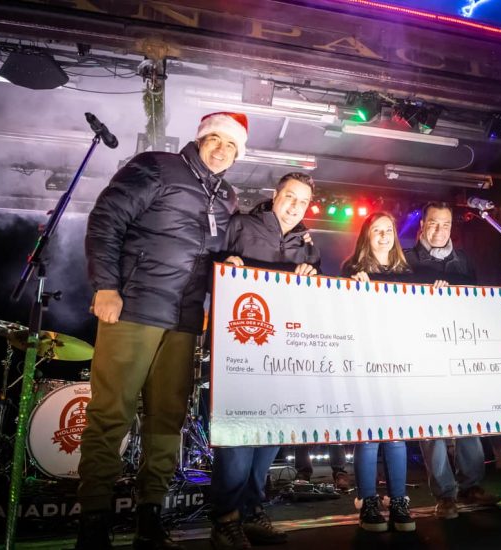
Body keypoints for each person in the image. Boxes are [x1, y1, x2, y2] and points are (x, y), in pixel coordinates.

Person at [78, 112, 246, 549]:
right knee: (111, 412)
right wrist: (105, 286)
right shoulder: (156, 166)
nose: (222, 150)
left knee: (168, 417)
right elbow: (106, 219)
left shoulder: (227, 197)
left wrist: (227, 264)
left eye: (231, 145)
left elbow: (210, 253)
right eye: (215, 139)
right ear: (200, 139)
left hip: (184, 321)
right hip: (135, 307)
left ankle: (149, 515)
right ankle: (93, 520)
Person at [210, 172, 319, 550]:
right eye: (290, 196)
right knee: (239, 436)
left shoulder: (306, 244)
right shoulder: (240, 225)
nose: (295, 206)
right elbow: (207, 267)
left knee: (272, 434)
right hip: (240, 351)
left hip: (285, 355)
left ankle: (252, 511)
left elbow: (315, 301)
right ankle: (225, 519)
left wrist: (313, 274)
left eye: (303, 201)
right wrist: (224, 264)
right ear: (275, 195)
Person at [403, 202, 500, 519]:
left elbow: (475, 305)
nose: (439, 230)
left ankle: (472, 484)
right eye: (433, 223)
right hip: (421, 351)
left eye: (445, 224)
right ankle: (445, 494)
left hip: (459, 350)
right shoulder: (406, 259)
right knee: (432, 427)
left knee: (469, 418)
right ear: (422, 226)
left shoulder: (464, 261)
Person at [340, 212, 416, 533]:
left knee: (396, 436)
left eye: (389, 230)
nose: (384, 236)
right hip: (365, 360)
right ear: (366, 235)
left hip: (399, 360)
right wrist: (352, 290)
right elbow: (340, 314)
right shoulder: (351, 269)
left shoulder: (408, 272)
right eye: (377, 230)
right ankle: (368, 501)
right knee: (369, 436)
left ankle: (398, 501)